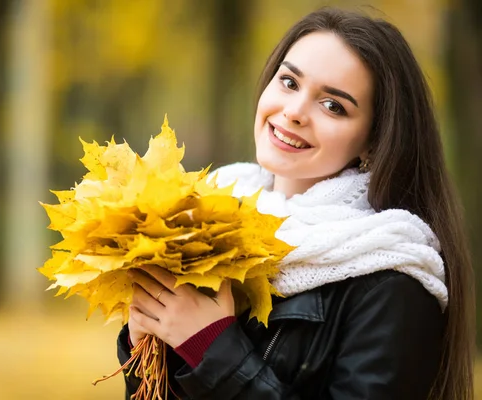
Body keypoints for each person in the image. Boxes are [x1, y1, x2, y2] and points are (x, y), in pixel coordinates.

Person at [117, 7, 475, 399]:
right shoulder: (203, 225)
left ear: (374, 142)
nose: (294, 112)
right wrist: (146, 355)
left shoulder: (393, 282)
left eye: (333, 105)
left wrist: (212, 350)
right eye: (289, 82)